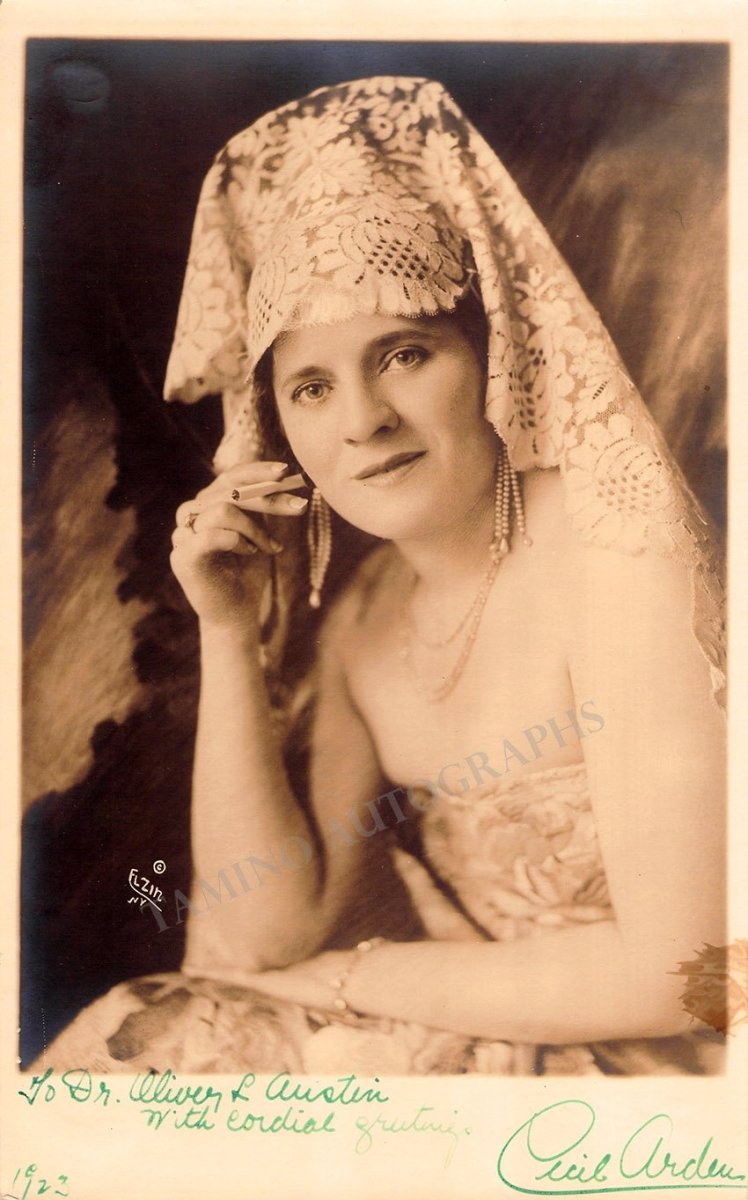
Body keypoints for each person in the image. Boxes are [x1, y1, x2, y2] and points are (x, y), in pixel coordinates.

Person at [34, 76, 726, 1076]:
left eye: (403, 354)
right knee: (146, 1040)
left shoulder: (613, 550)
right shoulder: (363, 618)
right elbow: (265, 935)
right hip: (494, 1042)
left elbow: (681, 975)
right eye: (312, 386)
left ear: (492, 355)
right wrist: (228, 634)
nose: (362, 421)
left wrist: (352, 980)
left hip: (680, 1069)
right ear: (277, 425)